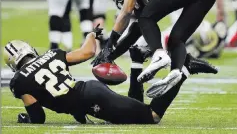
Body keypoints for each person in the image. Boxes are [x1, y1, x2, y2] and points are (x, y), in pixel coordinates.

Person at [4, 24, 217, 124]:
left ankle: (185, 70)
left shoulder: (19, 82)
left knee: (152, 117)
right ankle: (135, 60)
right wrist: (91, 35)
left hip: (90, 100)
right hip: (90, 88)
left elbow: (38, 117)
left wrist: (26, 119)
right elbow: (87, 52)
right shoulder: (51, 54)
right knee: (135, 108)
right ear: (29, 50)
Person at [100, 0, 233, 97]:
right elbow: (135, 32)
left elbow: (126, 12)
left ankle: (159, 55)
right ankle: (175, 71)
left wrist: (109, 43)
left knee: (146, 19)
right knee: (176, 39)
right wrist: (110, 55)